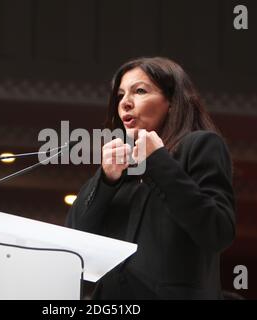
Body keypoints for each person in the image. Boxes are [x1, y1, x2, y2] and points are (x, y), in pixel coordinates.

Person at [65, 57, 236, 300]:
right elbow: (73, 241)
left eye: (140, 91)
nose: (125, 102)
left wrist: (158, 161)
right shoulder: (120, 166)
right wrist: (105, 181)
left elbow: (217, 231)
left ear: (172, 102)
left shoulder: (200, 146)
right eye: (120, 95)